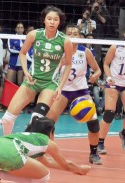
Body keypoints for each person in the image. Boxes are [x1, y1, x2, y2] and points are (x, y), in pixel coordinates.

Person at [2, 5, 73, 135]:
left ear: (60, 22)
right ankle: (7, 144)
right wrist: (26, 72)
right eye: (49, 18)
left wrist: (60, 87)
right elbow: (22, 53)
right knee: (7, 119)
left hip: (50, 84)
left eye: (55, 19)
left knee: (36, 120)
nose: (52, 22)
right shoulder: (34, 35)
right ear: (44, 20)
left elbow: (68, 64)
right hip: (32, 80)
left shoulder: (65, 41)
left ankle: (28, 148)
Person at [46, 25, 102, 165]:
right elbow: (49, 72)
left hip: (81, 91)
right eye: (69, 33)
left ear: (79, 36)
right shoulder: (58, 51)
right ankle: (51, 151)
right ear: (64, 36)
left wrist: (95, 75)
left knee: (93, 121)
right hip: (62, 90)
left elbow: (98, 70)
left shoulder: (85, 52)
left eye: (75, 33)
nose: (72, 36)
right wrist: (60, 63)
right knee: (48, 122)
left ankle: (94, 153)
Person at [97, 24, 125, 154]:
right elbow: (106, 63)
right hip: (113, 82)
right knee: (109, 114)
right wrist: (108, 77)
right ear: (124, 34)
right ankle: (100, 143)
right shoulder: (116, 47)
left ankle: (124, 134)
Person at [7, 22, 25, 86]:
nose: (20, 29)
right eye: (18, 27)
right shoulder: (11, 37)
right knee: (10, 83)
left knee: (20, 83)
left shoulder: (26, 38)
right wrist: (21, 51)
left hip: (22, 64)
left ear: (23, 29)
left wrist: (17, 49)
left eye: (21, 28)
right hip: (13, 63)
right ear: (15, 29)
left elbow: (28, 50)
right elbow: (10, 49)